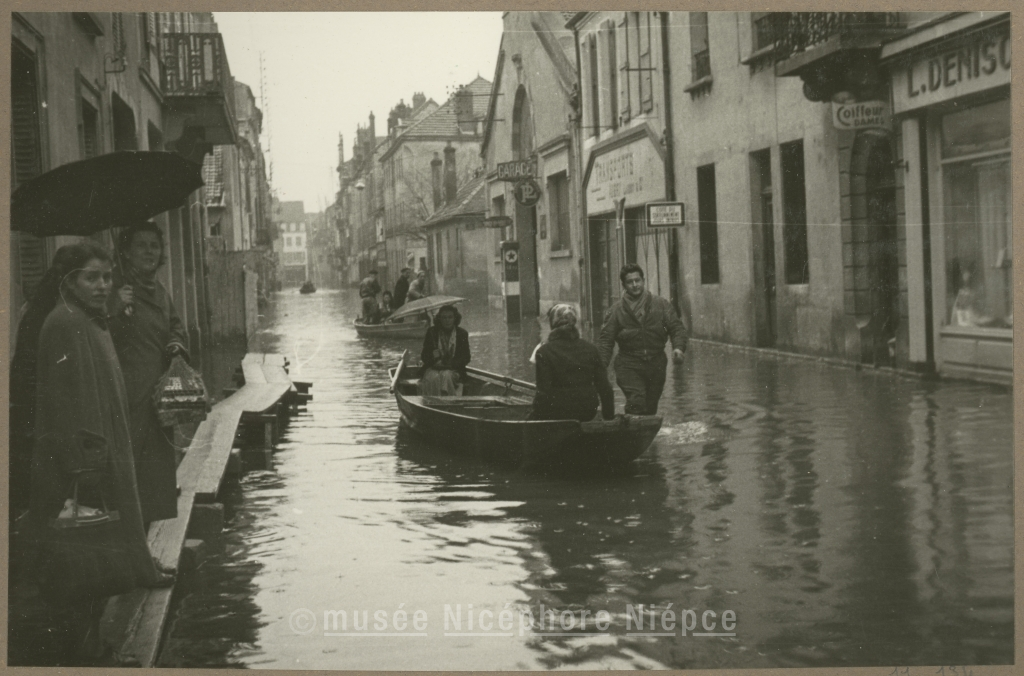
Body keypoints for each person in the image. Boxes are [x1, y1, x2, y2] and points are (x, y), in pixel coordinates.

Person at [29, 241, 173, 666]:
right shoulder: (66, 323)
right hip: (82, 461)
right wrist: (88, 464)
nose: (102, 285)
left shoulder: (90, 321)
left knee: (94, 556)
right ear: (69, 282)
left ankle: (94, 651)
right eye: (91, 277)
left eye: (107, 277)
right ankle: (89, 658)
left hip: (101, 452)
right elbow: (65, 404)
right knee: (85, 560)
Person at [108, 222, 188, 530]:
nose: (149, 252)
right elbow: (101, 336)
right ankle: (133, 548)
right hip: (127, 392)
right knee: (130, 471)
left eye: (154, 246)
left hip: (158, 393)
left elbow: (176, 326)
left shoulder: (160, 291)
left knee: (155, 470)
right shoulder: (115, 288)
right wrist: (116, 308)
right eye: (140, 246)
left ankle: (147, 540)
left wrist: (176, 345)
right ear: (125, 252)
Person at [597, 264, 687, 415]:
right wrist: (600, 368)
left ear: (643, 280)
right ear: (624, 285)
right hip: (629, 364)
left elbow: (676, 328)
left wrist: (678, 348)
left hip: (656, 363)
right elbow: (606, 341)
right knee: (636, 401)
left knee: (650, 408)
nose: (634, 285)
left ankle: (643, 435)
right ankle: (631, 435)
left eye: (637, 280)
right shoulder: (616, 311)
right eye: (630, 282)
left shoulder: (661, 305)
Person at [531, 304, 615, 422]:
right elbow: (605, 389)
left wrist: (534, 418)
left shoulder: (544, 352)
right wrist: (609, 418)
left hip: (557, 413)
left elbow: (543, 393)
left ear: (552, 324)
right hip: (588, 411)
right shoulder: (591, 349)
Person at [419, 304, 470, 396]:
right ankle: (433, 402)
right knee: (433, 378)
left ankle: (450, 402)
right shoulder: (432, 332)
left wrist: (450, 364)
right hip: (434, 368)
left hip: (453, 370)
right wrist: (432, 357)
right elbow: (424, 356)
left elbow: (466, 357)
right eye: (444, 317)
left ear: (455, 318)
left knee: (446, 376)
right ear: (439, 319)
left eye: (450, 317)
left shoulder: (462, 333)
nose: (447, 320)